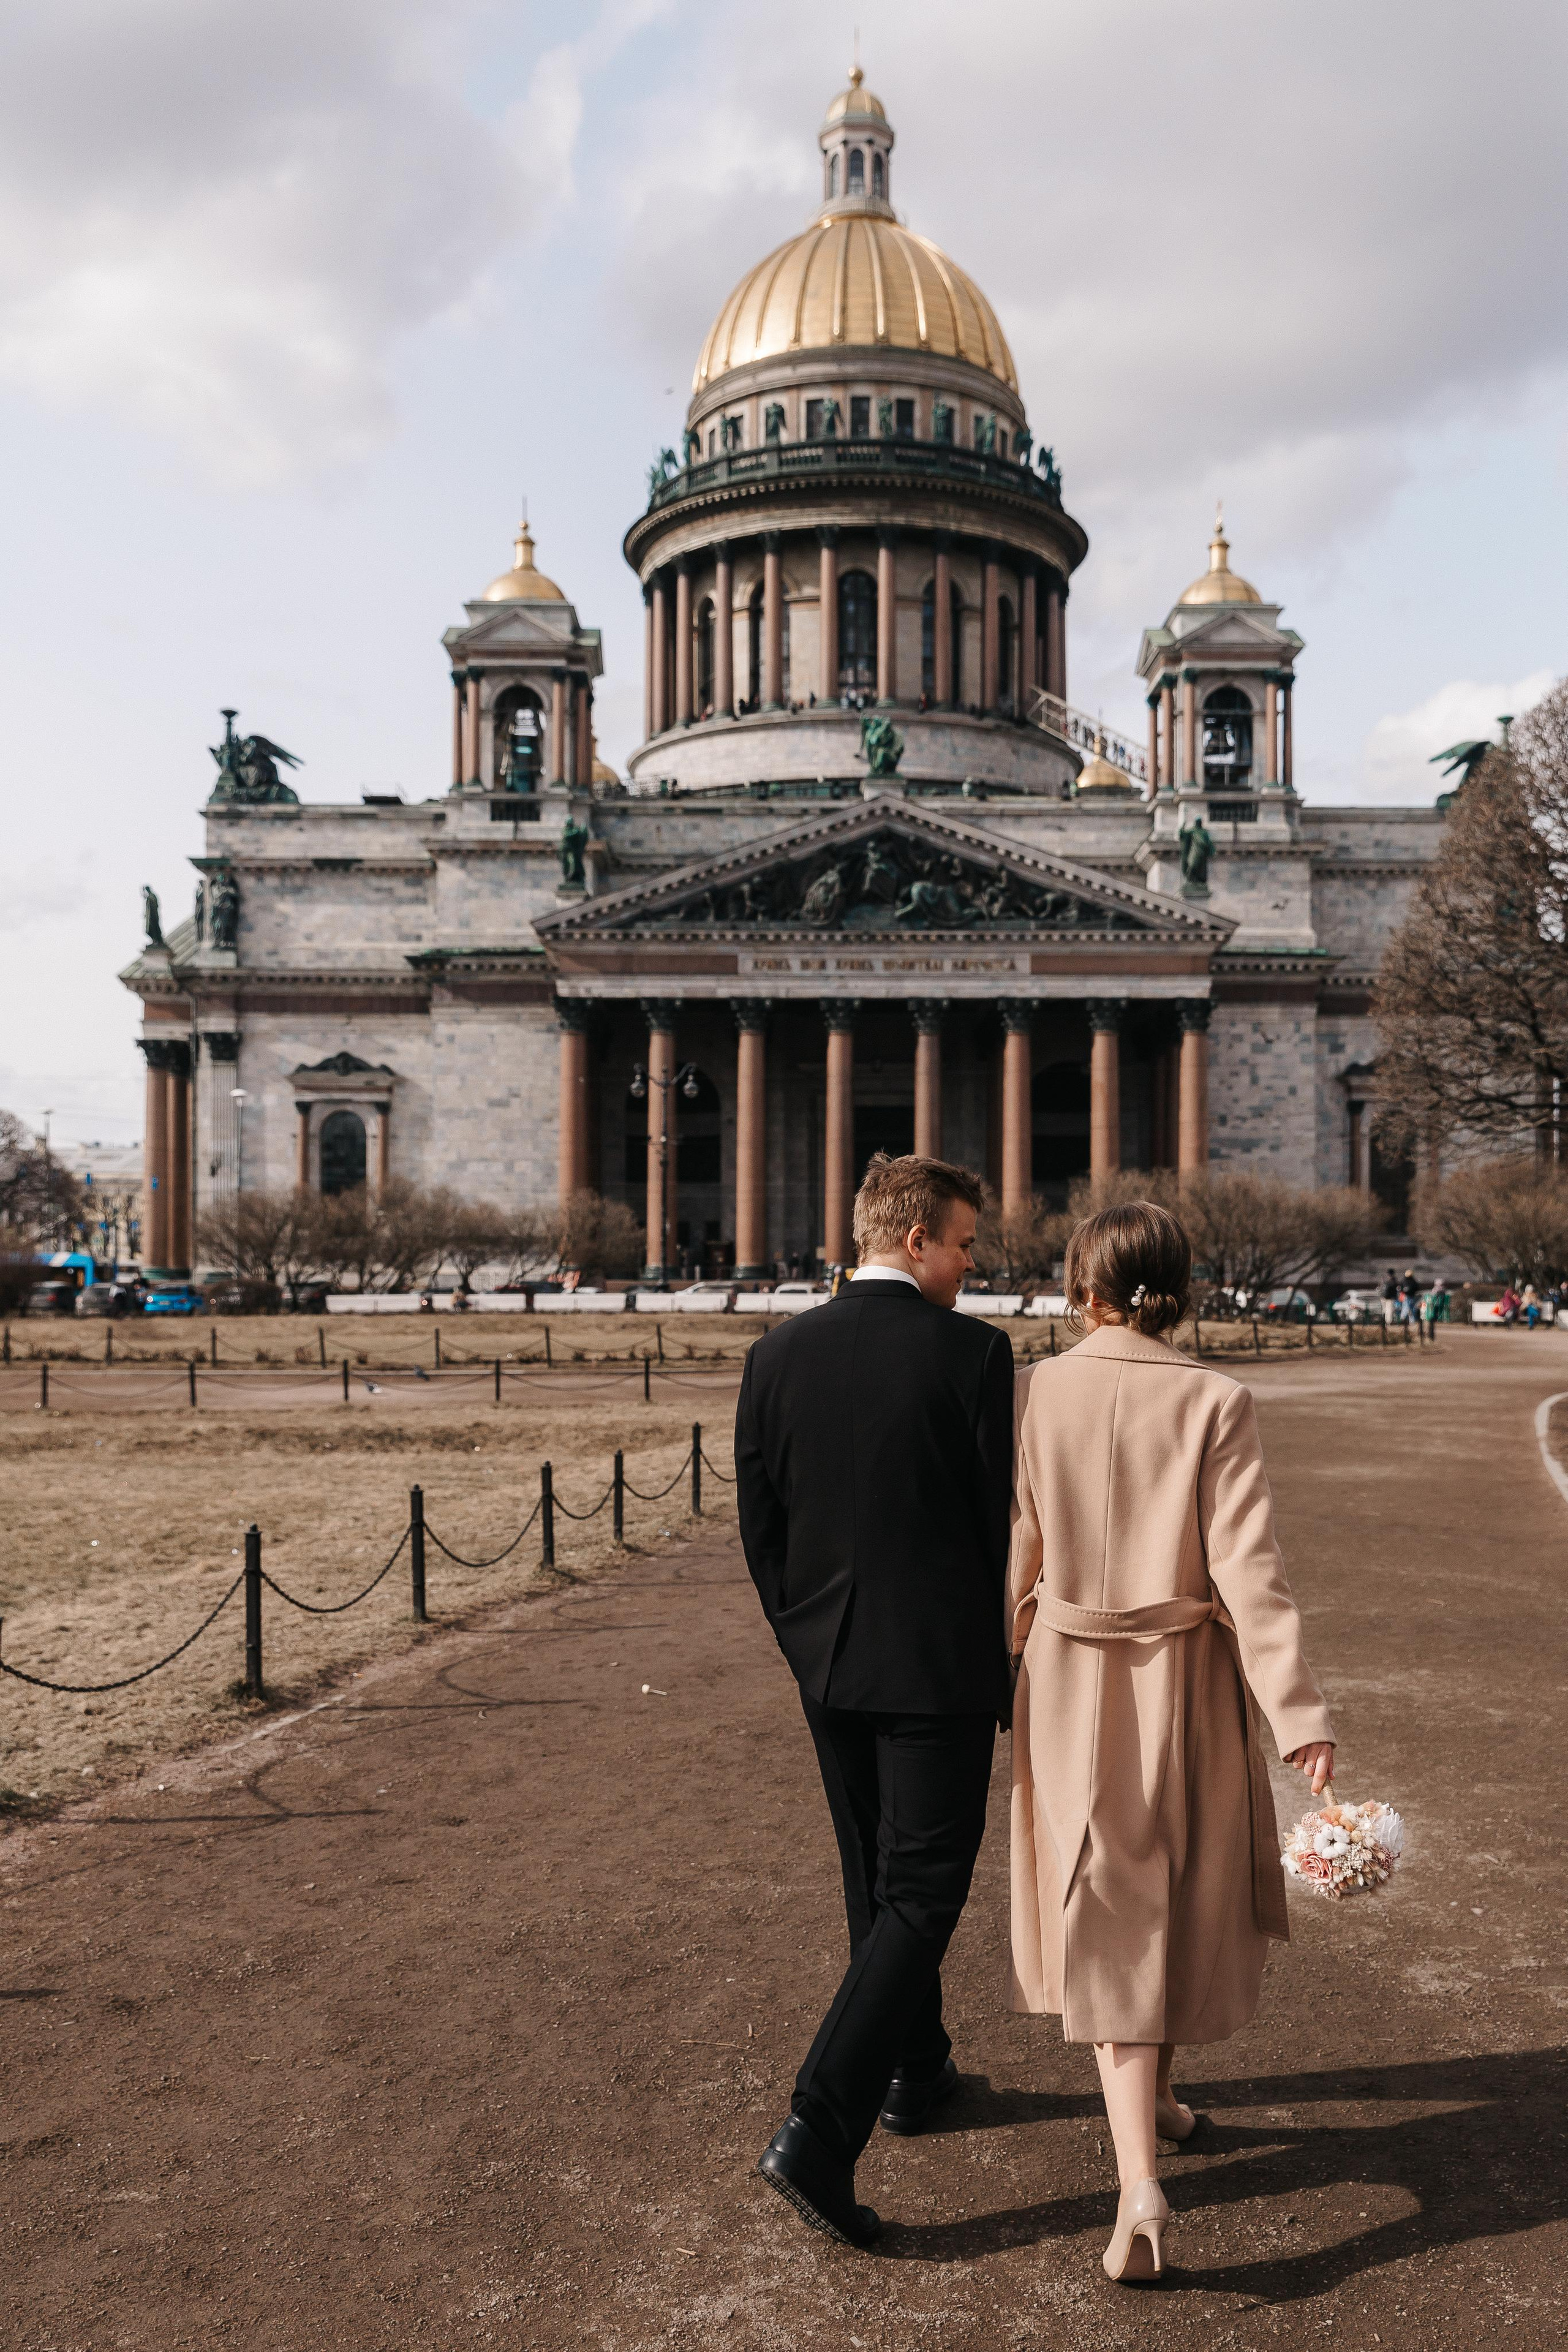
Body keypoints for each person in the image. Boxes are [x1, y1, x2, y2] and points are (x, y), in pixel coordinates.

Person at [1008, 1200, 1335, 2285]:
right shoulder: (1215, 1397)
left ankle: (1143, 2163)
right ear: (1178, 1285)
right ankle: (1146, 2148)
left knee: (1103, 1898)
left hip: (1066, 1671)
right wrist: (1297, 1717)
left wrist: (987, 1666)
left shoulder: (1042, 1386)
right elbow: (1251, 1570)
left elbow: (1022, 1542)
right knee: (1169, 1886)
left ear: (1083, 1285)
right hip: (1181, 1677)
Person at [736, 1154, 1014, 2247]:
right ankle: (818, 2127)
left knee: (874, 1879)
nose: (971, 1262)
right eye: (963, 1243)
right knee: (924, 1893)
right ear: (915, 1241)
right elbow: (1000, 1525)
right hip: (934, 1667)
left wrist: (803, 1633)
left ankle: (917, 2067)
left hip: (827, 1660)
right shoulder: (975, 1355)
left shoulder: (777, 1352)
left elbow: (760, 1519)